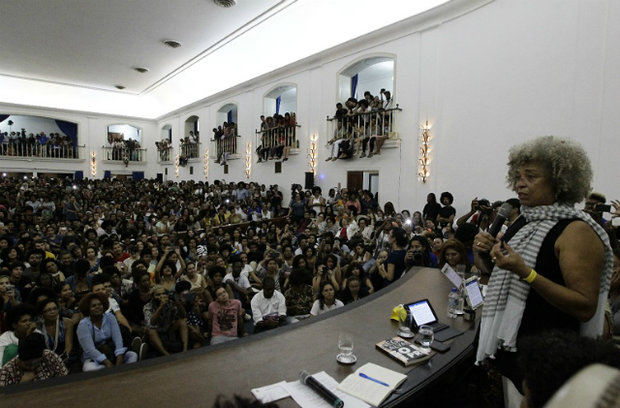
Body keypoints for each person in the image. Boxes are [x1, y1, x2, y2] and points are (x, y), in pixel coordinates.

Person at [473, 136, 613, 402]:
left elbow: (584, 306)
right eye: (517, 176)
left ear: (560, 182)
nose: (519, 184)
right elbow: (498, 275)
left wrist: (527, 273)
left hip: (545, 366)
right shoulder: (525, 221)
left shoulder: (576, 231)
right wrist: (483, 254)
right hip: (512, 353)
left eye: (531, 176)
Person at [76, 293, 138, 371]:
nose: (97, 307)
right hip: (93, 359)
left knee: (132, 355)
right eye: (94, 306)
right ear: (88, 309)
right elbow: (90, 349)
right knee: (90, 369)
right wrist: (107, 363)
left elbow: (118, 339)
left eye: (100, 304)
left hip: (112, 354)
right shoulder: (83, 325)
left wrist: (119, 357)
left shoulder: (110, 317)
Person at [0, 332, 68, 386]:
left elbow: (65, 381)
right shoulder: (7, 371)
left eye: (36, 363)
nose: (32, 367)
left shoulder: (50, 357)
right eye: (27, 365)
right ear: (19, 359)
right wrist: (21, 385)